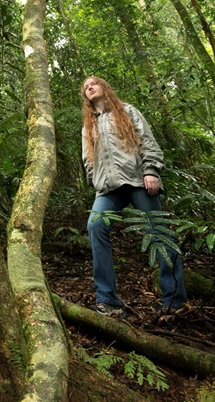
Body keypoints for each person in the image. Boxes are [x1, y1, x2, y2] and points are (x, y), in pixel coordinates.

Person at [81, 76, 188, 317]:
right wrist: (94, 179)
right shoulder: (88, 126)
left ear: (104, 87)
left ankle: (175, 301)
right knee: (95, 226)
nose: (89, 87)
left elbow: (147, 141)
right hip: (108, 189)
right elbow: (88, 159)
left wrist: (151, 171)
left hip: (137, 179)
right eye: (86, 87)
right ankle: (108, 300)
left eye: (93, 84)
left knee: (159, 233)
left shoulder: (127, 111)